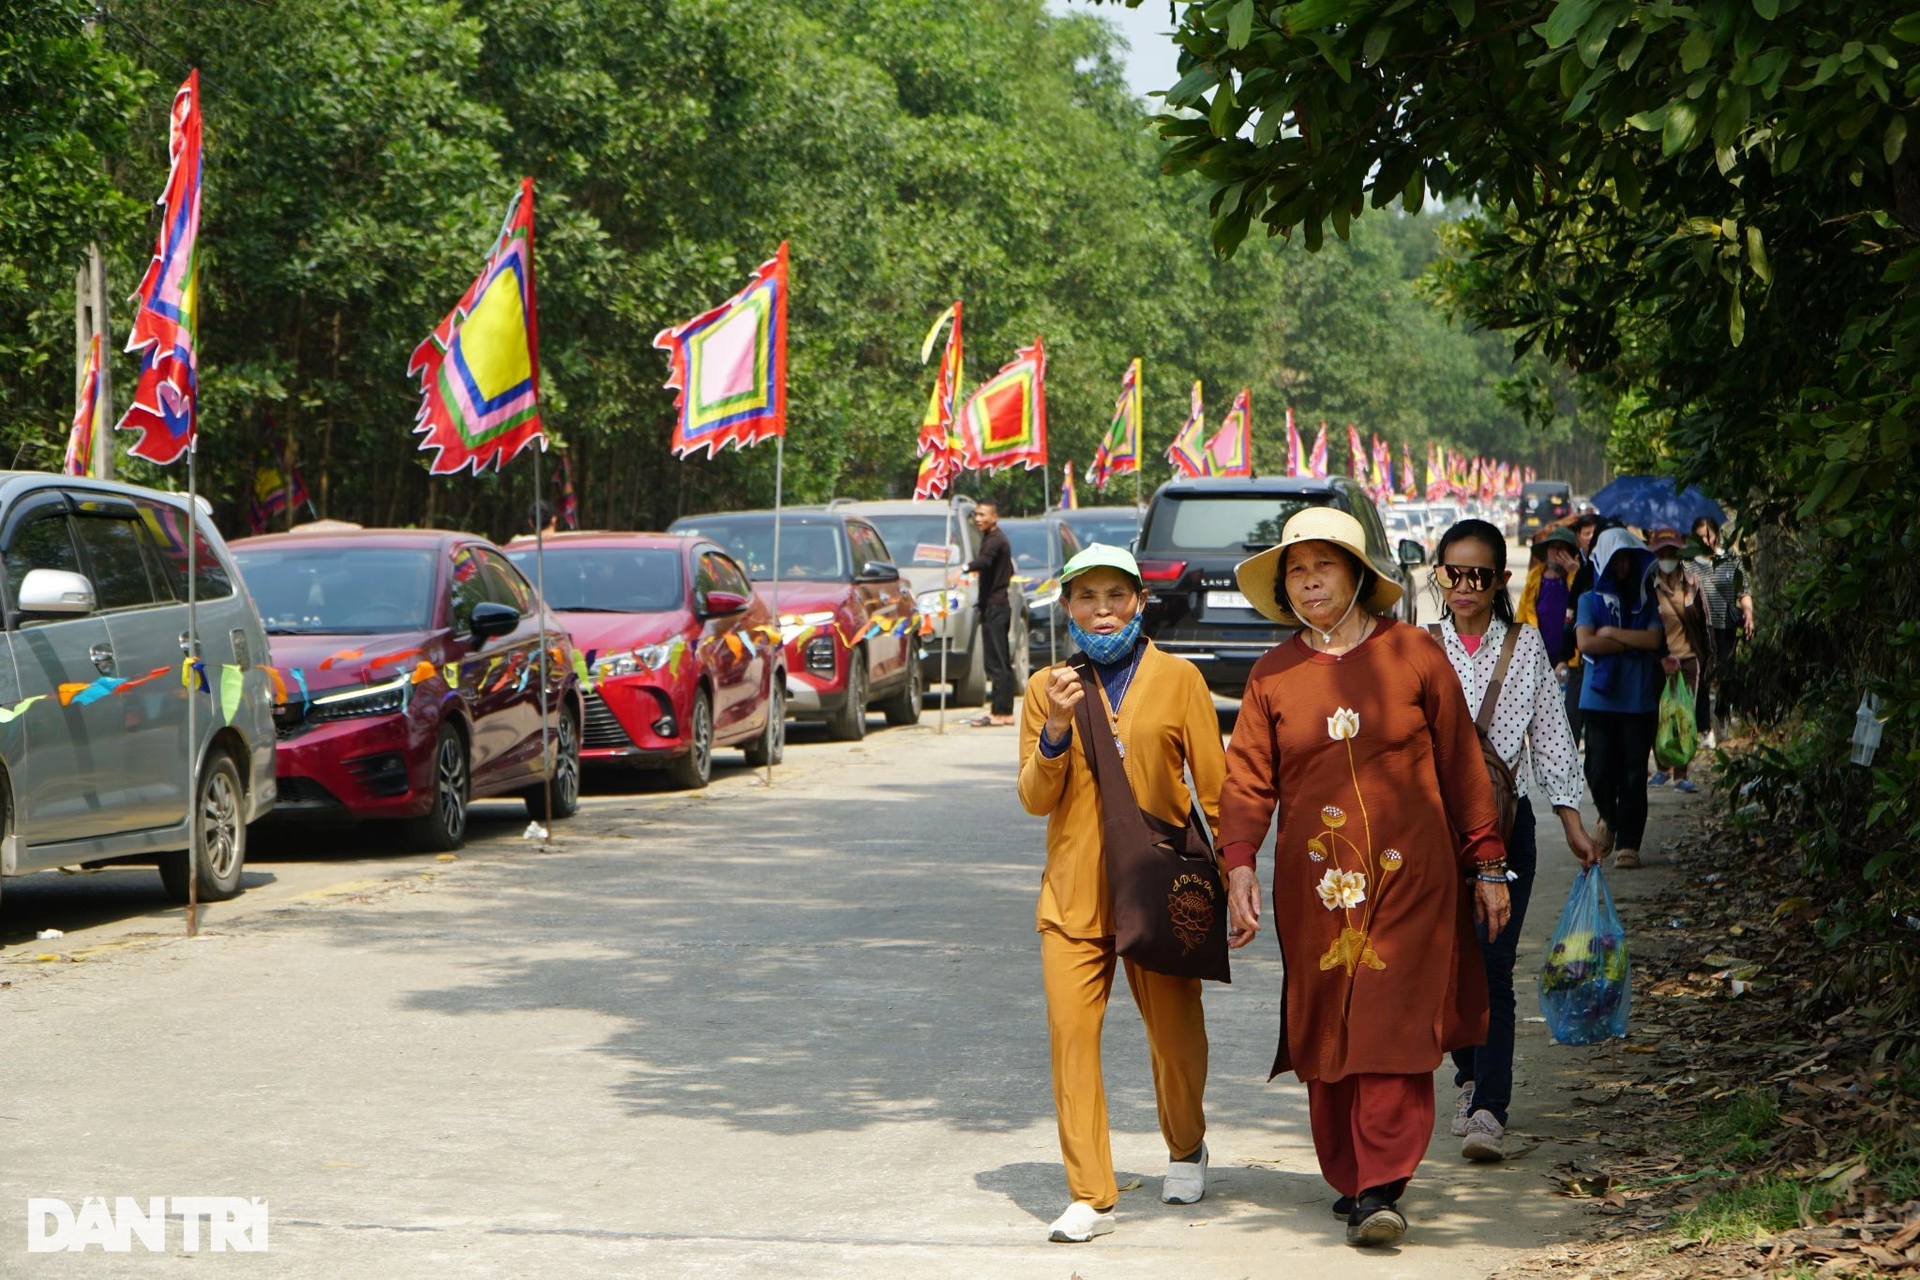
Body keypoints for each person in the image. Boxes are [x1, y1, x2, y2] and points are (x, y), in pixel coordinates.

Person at [1217, 508, 1510, 1249]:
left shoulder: (1415, 655)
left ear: (1358, 577)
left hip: (1414, 882)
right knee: (1328, 1022)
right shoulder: (1273, 674)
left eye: (1324, 566)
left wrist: (1489, 863)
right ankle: (1352, 1176)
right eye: (1296, 571)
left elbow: (1462, 766)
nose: (1310, 581)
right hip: (1316, 888)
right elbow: (1247, 782)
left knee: (1390, 1021)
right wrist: (1239, 864)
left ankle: (1382, 1180)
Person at [1016, 543, 1226, 1243]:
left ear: (1140, 602)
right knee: (1071, 1038)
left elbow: (1216, 792)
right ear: (1067, 606)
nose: (1101, 612)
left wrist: (1231, 876)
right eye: (1085, 598)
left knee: (1174, 1034)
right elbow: (1033, 799)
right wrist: (1051, 733)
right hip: (1074, 896)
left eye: (1116, 596)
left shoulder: (1178, 680)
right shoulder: (1049, 685)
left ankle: (1186, 1143)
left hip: (1160, 890)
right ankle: (1090, 1194)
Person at [1428, 520, 1599, 1164]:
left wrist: (1572, 820)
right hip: (1434, 833)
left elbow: (1552, 738)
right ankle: (1466, 1075)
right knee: (1449, 962)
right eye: (1454, 573)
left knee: (1494, 966)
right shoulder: (1417, 647)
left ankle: (1489, 1110)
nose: (1466, 586)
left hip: (1505, 831)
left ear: (1501, 580)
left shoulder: (1525, 648)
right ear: (1438, 575)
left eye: (1480, 574)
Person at [1576, 528, 1664, 868]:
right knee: (1597, 769)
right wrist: (1631, 643)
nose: (1622, 566)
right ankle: (1609, 820)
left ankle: (1629, 841)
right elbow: (1586, 643)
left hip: (1638, 699)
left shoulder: (1645, 599)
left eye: (1627, 559)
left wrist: (1611, 634)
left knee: (1632, 772)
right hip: (1597, 698)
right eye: (1616, 560)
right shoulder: (1589, 600)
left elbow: (1654, 639)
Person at [1647, 528, 1712, 793]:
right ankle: (1663, 767)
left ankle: (1682, 773)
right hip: (1659, 662)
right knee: (1660, 715)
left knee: (1685, 716)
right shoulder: (1648, 586)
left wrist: (1709, 659)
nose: (1666, 557)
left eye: (1671, 552)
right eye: (1661, 553)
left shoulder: (1692, 583)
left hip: (1687, 660)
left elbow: (1704, 622)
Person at [1690, 516, 1752, 747]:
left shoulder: (1729, 558)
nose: (1706, 540)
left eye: (1708, 535)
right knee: (1703, 675)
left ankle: (1722, 714)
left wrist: (1748, 614)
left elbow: (1743, 589)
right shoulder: (1689, 562)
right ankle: (1704, 728)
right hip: (1702, 629)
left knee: (1727, 671)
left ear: (1716, 534)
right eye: (1700, 536)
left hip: (1725, 625)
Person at [966, 500, 1015, 727]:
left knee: (997, 662)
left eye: (982, 515)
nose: (978, 518)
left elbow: (985, 561)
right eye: (976, 514)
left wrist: (964, 568)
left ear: (994, 517)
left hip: (996, 607)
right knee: (997, 660)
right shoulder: (993, 538)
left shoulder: (995, 540)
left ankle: (1001, 712)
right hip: (994, 605)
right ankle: (1002, 711)